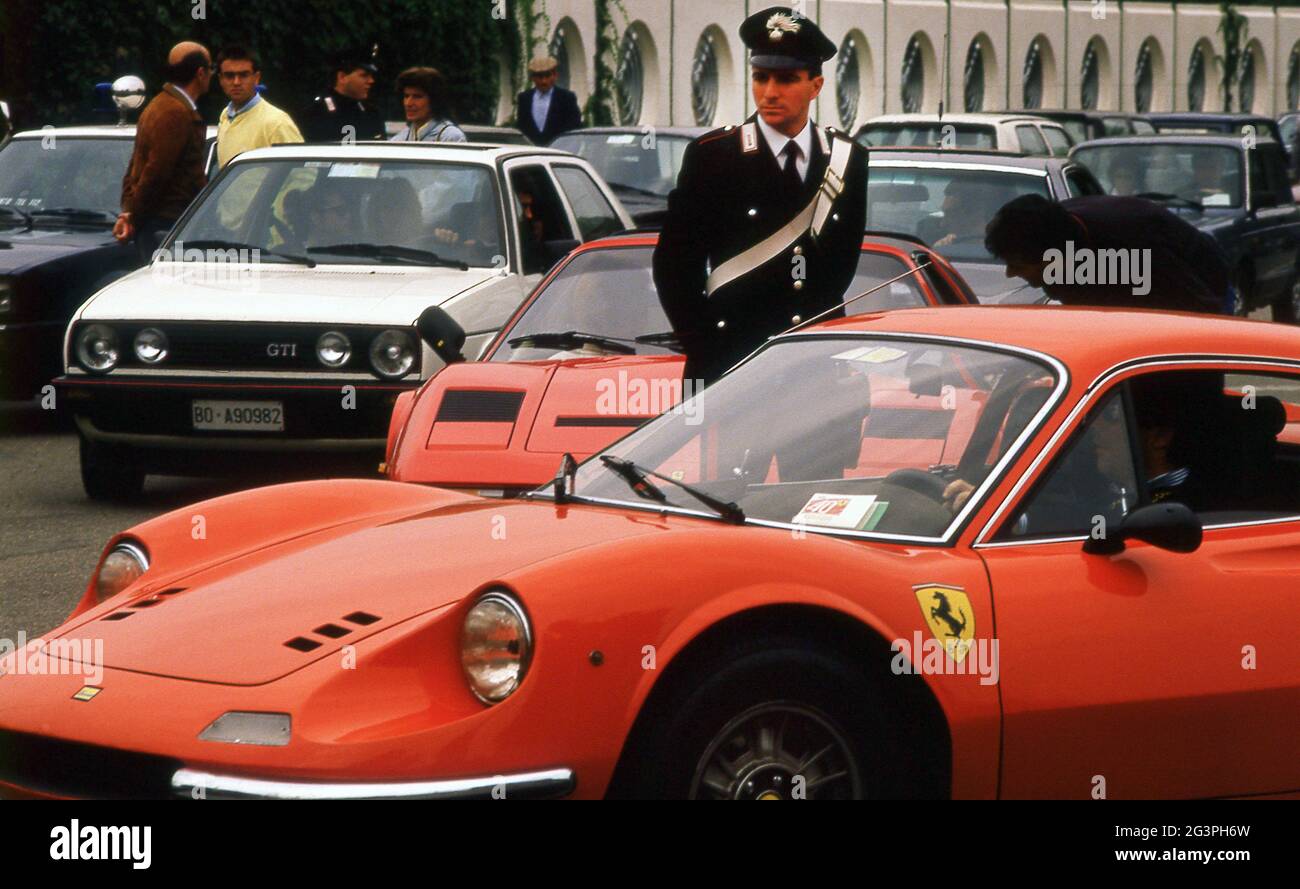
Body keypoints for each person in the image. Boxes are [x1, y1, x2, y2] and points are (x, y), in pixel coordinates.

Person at [652, 6, 868, 387]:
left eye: (786, 79)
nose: (769, 92)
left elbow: (840, 266)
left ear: (816, 85)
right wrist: (704, 343)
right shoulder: (714, 156)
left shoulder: (847, 158)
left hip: (813, 367)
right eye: (761, 77)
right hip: (733, 362)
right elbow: (674, 266)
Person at [984, 193, 1229, 314]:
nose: (1009, 274)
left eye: (1017, 264)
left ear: (1053, 257)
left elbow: (1202, 310)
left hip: (1205, 284)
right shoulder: (1058, 245)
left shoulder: (1136, 250)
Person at [115, 41, 212, 265]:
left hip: (157, 223)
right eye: (211, 69)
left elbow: (135, 167)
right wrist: (133, 216)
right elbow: (156, 172)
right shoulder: (175, 112)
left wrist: (129, 211)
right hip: (167, 225)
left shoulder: (159, 104)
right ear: (200, 73)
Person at [214, 46, 303, 167]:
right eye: (229, 76)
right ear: (221, 79)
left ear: (256, 78)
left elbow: (302, 175)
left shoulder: (276, 122)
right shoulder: (225, 116)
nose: (236, 82)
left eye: (244, 75)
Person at [302, 50, 386, 143]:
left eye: (371, 76)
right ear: (342, 77)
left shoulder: (371, 114)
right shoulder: (317, 112)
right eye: (364, 75)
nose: (371, 81)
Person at [516, 56, 582, 146]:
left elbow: (574, 128)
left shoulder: (567, 98)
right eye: (539, 77)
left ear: (555, 75)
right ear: (533, 78)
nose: (544, 81)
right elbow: (522, 128)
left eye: (547, 76)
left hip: (559, 151)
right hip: (531, 153)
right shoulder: (524, 99)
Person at [389, 67, 466, 143]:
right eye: (406, 96)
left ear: (434, 100)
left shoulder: (450, 137)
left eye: (417, 96)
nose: (408, 103)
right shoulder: (399, 139)